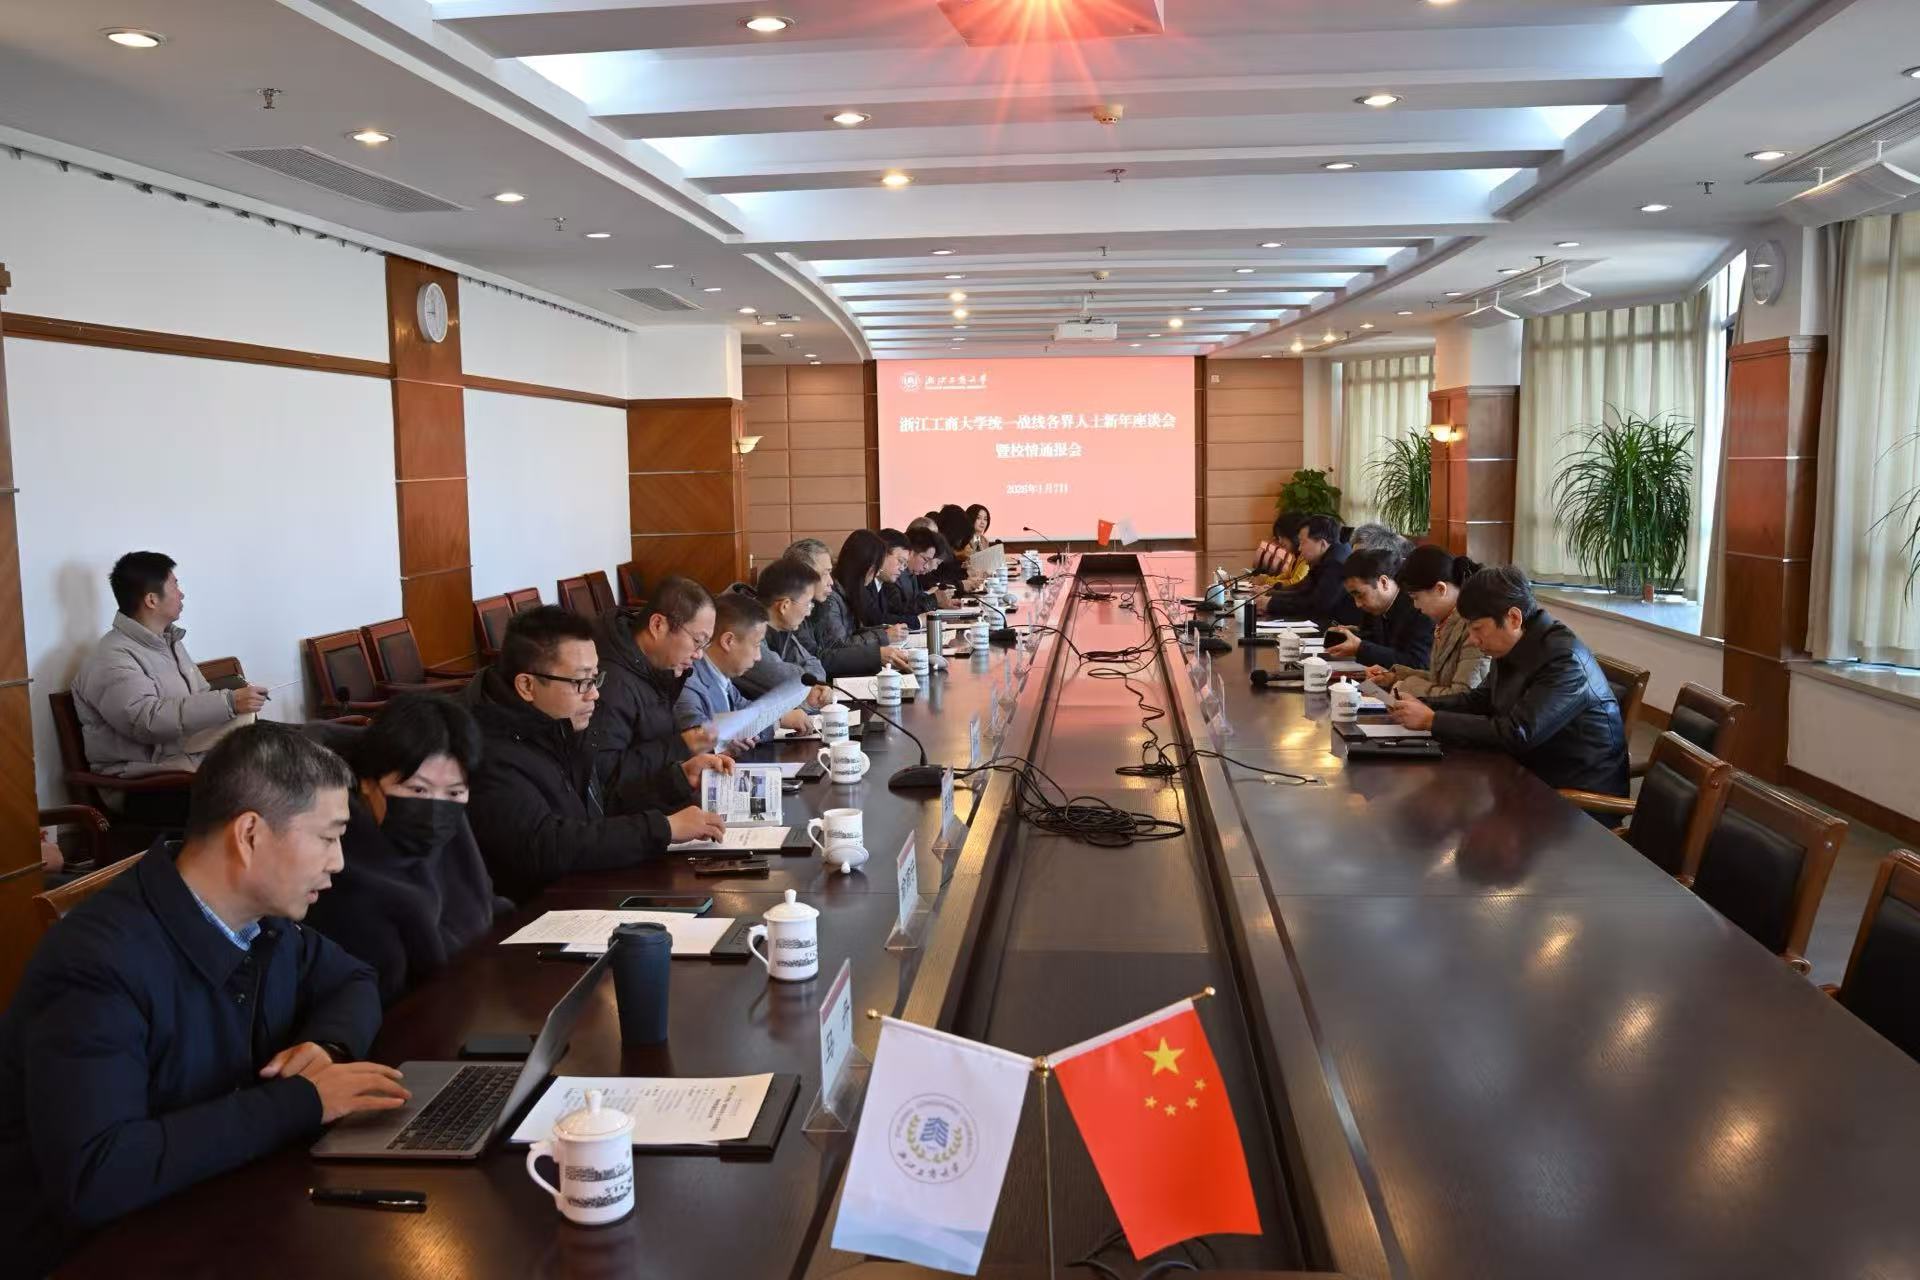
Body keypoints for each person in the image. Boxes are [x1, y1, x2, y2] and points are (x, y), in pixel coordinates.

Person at [0, 724, 407, 1275]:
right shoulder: (96, 964)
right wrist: (304, 1101)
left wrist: (326, 1047)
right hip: (93, 1252)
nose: (338, 861)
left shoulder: (260, 920)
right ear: (250, 834)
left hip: (216, 1201)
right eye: (328, 837)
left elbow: (353, 979)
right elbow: (97, 1174)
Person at [463, 607, 725, 903]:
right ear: (527, 685)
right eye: (581, 682)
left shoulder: (558, 725)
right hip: (537, 910)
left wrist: (676, 779)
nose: (594, 694)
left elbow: (597, 808)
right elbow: (544, 844)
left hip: (584, 889)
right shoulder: (489, 750)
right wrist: (662, 828)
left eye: (595, 679)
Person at [302, 694, 502, 1006]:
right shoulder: (336, 863)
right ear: (368, 783)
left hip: (477, 993)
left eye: (454, 792)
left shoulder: (451, 827)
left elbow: (485, 904)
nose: (436, 807)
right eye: (417, 789)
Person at [1386, 565, 1629, 796]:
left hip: (1575, 797)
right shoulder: (1514, 641)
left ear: (1513, 618)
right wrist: (1424, 704)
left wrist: (1432, 720)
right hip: (1526, 774)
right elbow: (1481, 700)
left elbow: (1518, 733)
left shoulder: (1565, 661)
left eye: (1477, 628)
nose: (1472, 640)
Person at [70, 551, 270, 823]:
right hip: (144, 785)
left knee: (282, 761)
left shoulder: (167, 643)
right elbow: (146, 721)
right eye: (175, 586)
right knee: (265, 795)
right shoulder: (112, 657)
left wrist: (236, 707)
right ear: (152, 600)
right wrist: (228, 703)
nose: (181, 594)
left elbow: (198, 698)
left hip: (185, 764)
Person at [590, 576, 724, 814]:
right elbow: (607, 781)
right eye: (697, 641)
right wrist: (684, 744)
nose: (699, 655)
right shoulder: (612, 684)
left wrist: (688, 765)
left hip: (660, 800)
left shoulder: (653, 666)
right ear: (658, 625)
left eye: (704, 645)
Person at [675, 592, 813, 752]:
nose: (758, 657)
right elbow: (695, 742)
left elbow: (747, 715)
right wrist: (726, 741)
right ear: (728, 641)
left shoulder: (722, 679)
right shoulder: (688, 682)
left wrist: (779, 719)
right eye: (756, 645)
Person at [1366, 546, 1490, 698]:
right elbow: (1439, 679)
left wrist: (1405, 686)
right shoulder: (1446, 621)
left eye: (1416, 598)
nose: (1415, 606)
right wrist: (1394, 677)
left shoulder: (1474, 627)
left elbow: (1462, 697)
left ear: (1440, 589)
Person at [733, 557, 834, 703]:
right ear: (784, 606)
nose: (808, 613)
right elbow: (789, 682)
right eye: (808, 604)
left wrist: (816, 686)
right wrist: (812, 687)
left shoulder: (781, 629)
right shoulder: (746, 634)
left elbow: (813, 663)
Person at [1325, 547, 1433, 670]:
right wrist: (1352, 635)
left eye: (1360, 595)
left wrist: (1360, 648)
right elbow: (1373, 639)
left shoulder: (1419, 607)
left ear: (1383, 582)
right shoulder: (1377, 607)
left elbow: (1418, 664)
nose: (1358, 604)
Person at [1262, 514, 1359, 627]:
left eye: (1303, 542)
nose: (1299, 548)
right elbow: (1303, 588)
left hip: (1336, 628)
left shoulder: (1336, 564)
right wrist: (1270, 594)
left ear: (1322, 544)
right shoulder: (1327, 557)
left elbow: (1317, 606)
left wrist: (1271, 603)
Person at [887, 524, 955, 623]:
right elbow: (899, 610)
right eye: (925, 559)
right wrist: (933, 600)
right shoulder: (894, 575)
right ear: (911, 552)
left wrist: (938, 602)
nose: (926, 566)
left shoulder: (912, 574)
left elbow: (916, 600)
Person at [1253, 512, 1312, 585]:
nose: (1280, 541)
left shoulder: (1306, 557)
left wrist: (1266, 581)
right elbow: (1287, 575)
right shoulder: (1296, 555)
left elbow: (1295, 583)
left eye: (1282, 536)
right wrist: (1267, 579)